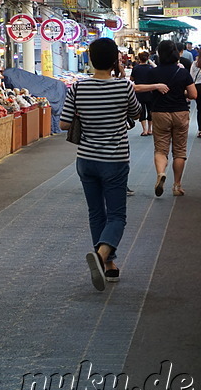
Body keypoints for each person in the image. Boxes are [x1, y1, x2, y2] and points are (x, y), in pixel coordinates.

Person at [59, 38, 141, 292]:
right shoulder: (124, 87)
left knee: (96, 213)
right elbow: (136, 114)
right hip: (114, 160)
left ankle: (109, 265)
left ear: (91, 59)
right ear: (115, 61)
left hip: (86, 160)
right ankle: (102, 254)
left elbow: (63, 124)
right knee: (117, 216)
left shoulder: (77, 89)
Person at [148, 40, 197, 197]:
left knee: (161, 149)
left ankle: (161, 173)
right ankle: (177, 186)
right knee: (179, 150)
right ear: (175, 52)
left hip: (160, 113)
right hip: (180, 112)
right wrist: (179, 92)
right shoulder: (182, 72)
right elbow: (193, 95)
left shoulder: (153, 72)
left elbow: (139, 88)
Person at [130, 51, 155, 136]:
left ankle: (144, 130)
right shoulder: (151, 68)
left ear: (139, 59)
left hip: (139, 91)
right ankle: (150, 129)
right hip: (150, 91)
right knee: (150, 110)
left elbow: (132, 79)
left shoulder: (136, 68)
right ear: (148, 58)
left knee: (142, 111)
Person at [191, 54, 201, 138]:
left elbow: (191, 77)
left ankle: (200, 130)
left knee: (200, 109)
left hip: (198, 87)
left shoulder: (195, 63)